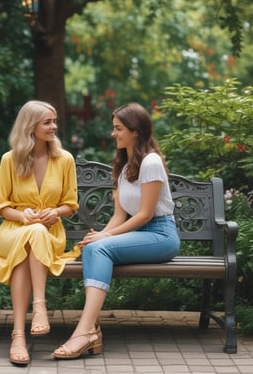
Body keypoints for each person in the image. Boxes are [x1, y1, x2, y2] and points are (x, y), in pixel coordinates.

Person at [52, 102, 180, 360]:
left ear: (135, 131)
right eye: (114, 128)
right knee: (93, 246)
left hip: (161, 235)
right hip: (140, 233)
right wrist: (98, 234)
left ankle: (84, 331)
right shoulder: (124, 166)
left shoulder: (151, 162)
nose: (113, 134)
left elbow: (144, 214)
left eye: (118, 128)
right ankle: (90, 330)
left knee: (100, 245)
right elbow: (120, 215)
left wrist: (107, 236)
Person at [0, 100, 80, 366]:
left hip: (50, 233)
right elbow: (1, 206)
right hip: (14, 230)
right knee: (31, 234)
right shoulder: (10, 159)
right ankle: (39, 307)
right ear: (30, 126)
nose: (54, 126)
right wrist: (23, 215)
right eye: (47, 122)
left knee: (36, 235)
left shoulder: (65, 159)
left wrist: (56, 212)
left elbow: (71, 203)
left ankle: (18, 335)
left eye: (54, 121)